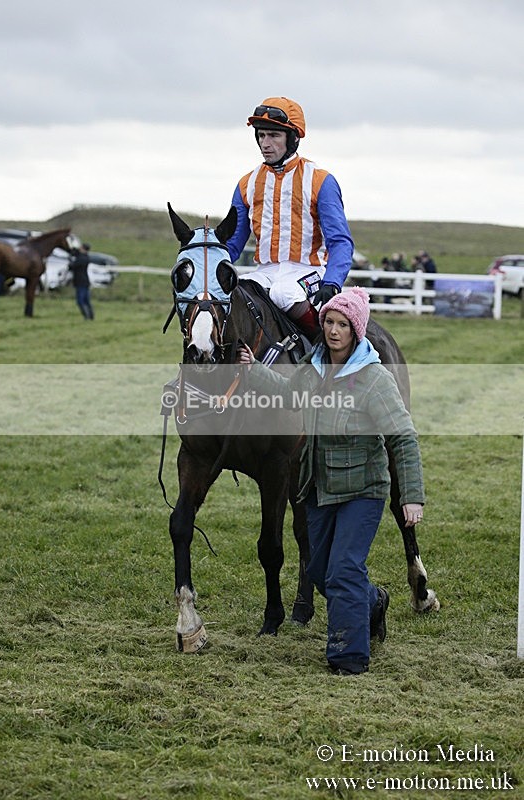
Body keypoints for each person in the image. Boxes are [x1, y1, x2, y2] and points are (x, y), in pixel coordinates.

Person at [237, 287, 425, 675]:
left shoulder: (374, 378)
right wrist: (253, 368)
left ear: (356, 331)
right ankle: (373, 601)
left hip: (363, 491)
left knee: (342, 569)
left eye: (342, 324)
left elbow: (403, 437)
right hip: (319, 486)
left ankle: (348, 656)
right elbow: (288, 394)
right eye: (328, 322)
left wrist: (411, 496)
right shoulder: (315, 366)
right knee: (320, 570)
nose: (333, 330)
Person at [226, 97, 354, 341]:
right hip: (264, 272)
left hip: (310, 273)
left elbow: (341, 242)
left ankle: (324, 351)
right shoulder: (246, 184)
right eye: (261, 135)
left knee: (284, 293)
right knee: (234, 296)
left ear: (293, 137)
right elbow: (233, 243)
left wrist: (333, 282)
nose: (265, 143)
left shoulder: (320, 180)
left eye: (274, 135)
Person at [69, 243, 94, 320]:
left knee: (80, 301)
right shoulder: (85, 257)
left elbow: (72, 266)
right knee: (86, 300)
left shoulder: (81, 259)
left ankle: (86, 316)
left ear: (83, 249)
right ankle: (91, 316)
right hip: (85, 281)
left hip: (80, 282)